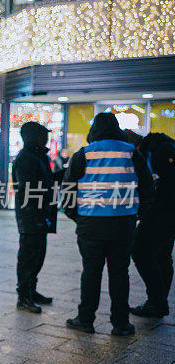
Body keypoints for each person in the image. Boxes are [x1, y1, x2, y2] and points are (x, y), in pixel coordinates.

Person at [63, 113, 154, 336]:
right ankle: (121, 324)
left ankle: (85, 320)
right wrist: (135, 215)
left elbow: (67, 192)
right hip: (122, 226)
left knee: (91, 273)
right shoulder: (132, 153)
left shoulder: (84, 153)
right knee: (120, 274)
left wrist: (79, 216)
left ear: (94, 129)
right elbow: (147, 189)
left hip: (90, 227)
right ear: (117, 128)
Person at [12, 122, 58, 313]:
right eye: (42, 135)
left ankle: (32, 290)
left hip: (41, 213)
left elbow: (47, 181)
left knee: (38, 255)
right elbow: (28, 189)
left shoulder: (39, 156)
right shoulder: (26, 158)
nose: (45, 138)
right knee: (28, 256)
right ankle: (24, 296)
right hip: (31, 215)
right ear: (33, 137)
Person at [131, 133, 175, 318]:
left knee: (140, 251)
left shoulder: (160, 152)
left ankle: (157, 302)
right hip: (168, 212)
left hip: (163, 212)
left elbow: (164, 183)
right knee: (162, 256)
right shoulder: (165, 146)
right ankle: (158, 302)